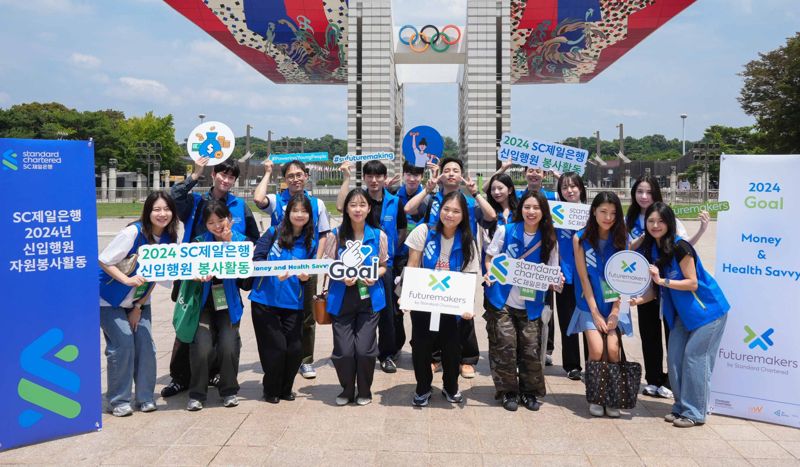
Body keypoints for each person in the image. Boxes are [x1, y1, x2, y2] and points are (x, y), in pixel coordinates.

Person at [162, 158, 260, 398]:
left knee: (224, 334)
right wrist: (195, 175)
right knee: (188, 329)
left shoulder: (239, 206)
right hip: (195, 277)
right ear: (213, 173)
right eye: (222, 175)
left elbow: (252, 241)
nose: (225, 180)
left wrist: (234, 247)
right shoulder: (196, 201)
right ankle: (180, 378)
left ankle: (217, 376)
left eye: (231, 177)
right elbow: (173, 199)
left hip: (225, 281)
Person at [632, 202, 729, 428]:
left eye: (661, 221)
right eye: (651, 221)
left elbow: (692, 283)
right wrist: (637, 299)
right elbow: (655, 290)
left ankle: (694, 413)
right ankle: (680, 407)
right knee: (674, 359)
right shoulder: (651, 249)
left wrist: (662, 280)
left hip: (707, 312)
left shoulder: (680, 247)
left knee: (695, 359)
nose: (655, 225)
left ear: (670, 223)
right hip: (681, 316)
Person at [404, 157, 495, 378]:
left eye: (456, 170)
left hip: (461, 258)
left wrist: (475, 192)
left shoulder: (469, 201)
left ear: (462, 174)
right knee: (433, 309)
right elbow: (409, 208)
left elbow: (491, 215)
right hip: (433, 260)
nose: (451, 173)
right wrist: (427, 188)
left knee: (462, 311)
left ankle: (467, 358)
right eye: (447, 170)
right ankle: (435, 357)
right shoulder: (432, 198)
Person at [625, 175, 709, 399]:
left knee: (672, 333)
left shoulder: (665, 214)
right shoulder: (629, 218)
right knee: (649, 332)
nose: (643, 196)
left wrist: (702, 230)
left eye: (648, 192)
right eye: (639, 191)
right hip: (645, 285)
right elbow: (626, 251)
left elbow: (682, 247)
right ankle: (653, 379)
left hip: (669, 286)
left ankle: (671, 381)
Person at [99, 191, 179, 416]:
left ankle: (144, 397)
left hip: (138, 300)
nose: (162, 214)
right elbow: (104, 260)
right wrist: (126, 279)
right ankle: (118, 400)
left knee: (145, 344)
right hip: (109, 298)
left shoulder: (169, 239)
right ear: (148, 212)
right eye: (157, 209)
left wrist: (138, 307)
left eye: (167, 209)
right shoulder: (133, 233)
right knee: (123, 343)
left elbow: (156, 275)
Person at [483, 191, 562, 411]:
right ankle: (508, 391)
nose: (531, 212)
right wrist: (489, 273)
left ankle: (530, 392)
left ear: (543, 211)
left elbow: (554, 272)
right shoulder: (505, 230)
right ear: (521, 209)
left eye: (536, 208)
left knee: (530, 348)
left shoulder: (549, 239)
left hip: (532, 302)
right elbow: (490, 258)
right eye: (527, 207)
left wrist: (556, 282)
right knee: (505, 346)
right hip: (502, 299)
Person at [254, 158, 331, 380]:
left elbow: (324, 234)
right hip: (277, 269)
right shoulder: (277, 201)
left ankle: (305, 360)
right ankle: (282, 355)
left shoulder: (316, 204)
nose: (295, 179)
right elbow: (258, 198)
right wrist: (267, 172)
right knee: (279, 313)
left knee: (306, 315)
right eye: (290, 176)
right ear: (285, 180)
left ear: (306, 176)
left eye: (299, 175)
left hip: (304, 268)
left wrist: (313, 264)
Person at [403, 191, 481, 406]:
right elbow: (413, 264)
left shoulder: (468, 241)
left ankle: (450, 386)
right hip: (424, 301)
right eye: (446, 209)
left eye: (456, 211)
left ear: (463, 215)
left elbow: (469, 276)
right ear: (439, 211)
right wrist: (407, 297)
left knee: (452, 348)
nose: (450, 214)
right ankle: (423, 388)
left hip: (451, 305)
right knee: (421, 346)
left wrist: (467, 306)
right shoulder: (423, 231)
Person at [336, 160, 406, 373]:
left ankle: (387, 354)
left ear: (385, 178)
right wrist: (347, 177)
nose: (374, 180)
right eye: (370, 176)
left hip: (384, 266)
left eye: (379, 176)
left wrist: (389, 250)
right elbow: (341, 206)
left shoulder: (395, 201)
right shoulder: (360, 200)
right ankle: (360, 349)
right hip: (355, 267)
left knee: (387, 312)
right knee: (362, 309)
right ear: (364, 177)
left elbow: (402, 229)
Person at [568, 191, 633, 418]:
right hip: (589, 303)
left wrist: (615, 312)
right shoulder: (580, 238)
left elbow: (624, 281)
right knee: (596, 349)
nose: (608, 217)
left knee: (613, 350)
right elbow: (584, 278)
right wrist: (595, 313)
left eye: (613, 213)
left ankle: (612, 397)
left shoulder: (623, 239)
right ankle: (596, 396)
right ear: (593, 211)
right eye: (603, 212)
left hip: (615, 303)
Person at [249, 194, 317, 403]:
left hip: (292, 303)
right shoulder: (273, 232)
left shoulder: (310, 242)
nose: (299, 214)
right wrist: (272, 272)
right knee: (276, 349)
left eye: (304, 211)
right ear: (288, 213)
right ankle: (271, 390)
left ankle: (286, 388)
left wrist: (306, 278)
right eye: (295, 210)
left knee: (295, 350)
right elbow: (257, 259)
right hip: (265, 301)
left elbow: (308, 271)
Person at [323, 188, 388, 406]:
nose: (358, 209)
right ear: (346, 209)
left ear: (369, 208)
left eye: (362, 205)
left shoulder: (379, 236)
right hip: (341, 299)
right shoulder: (335, 235)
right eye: (353, 205)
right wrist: (341, 276)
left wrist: (374, 276)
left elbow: (383, 266)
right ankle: (347, 390)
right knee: (343, 351)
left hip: (369, 299)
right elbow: (329, 265)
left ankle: (365, 390)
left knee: (365, 350)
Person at [186, 200, 247, 411]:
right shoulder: (198, 243)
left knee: (229, 345)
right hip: (203, 304)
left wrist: (229, 243)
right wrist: (197, 276)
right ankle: (197, 394)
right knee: (201, 346)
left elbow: (245, 274)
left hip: (228, 303)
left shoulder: (241, 241)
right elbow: (187, 273)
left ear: (229, 218)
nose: (217, 225)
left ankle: (229, 390)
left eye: (220, 220)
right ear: (205, 224)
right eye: (211, 222)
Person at [554, 172, 589, 380]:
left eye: (573, 186)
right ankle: (572, 365)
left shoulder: (591, 213)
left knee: (589, 320)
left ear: (581, 188)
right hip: (564, 274)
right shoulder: (557, 214)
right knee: (567, 320)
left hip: (588, 275)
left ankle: (591, 360)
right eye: (565, 187)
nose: (570, 190)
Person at [390, 161, 426, 356]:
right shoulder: (394, 194)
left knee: (420, 307)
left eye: (417, 174)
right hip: (398, 258)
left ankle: (420, 348)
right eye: (409, 174)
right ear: (403, 175)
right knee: (396, 305)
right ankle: (395, 346)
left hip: (420, 260)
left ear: (422, 176)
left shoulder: (430, 195)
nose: (412, 178)